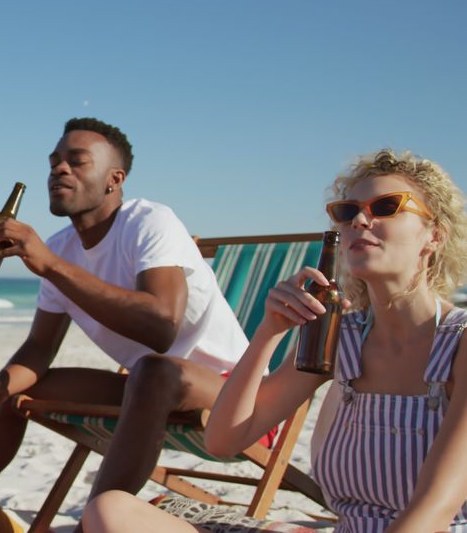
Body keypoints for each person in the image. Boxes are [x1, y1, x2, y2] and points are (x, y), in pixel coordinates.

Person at [82, 149, 467, 532]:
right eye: (348, 212)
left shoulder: (459, 342)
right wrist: (269, 332)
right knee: (112, 509)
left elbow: (435, 508)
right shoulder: (342, 338)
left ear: (434, 235)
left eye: (386, 206)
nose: (361, 220)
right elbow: (224, 439)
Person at [0, 117, 253, 526]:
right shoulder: (61, 248)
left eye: (77, 161)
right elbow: (40, 348)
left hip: (235, 396)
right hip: (147, 392)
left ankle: (92, 526)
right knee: (17, 389)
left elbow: (161, 327)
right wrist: (2, 383)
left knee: (152, 370)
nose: (59, 169)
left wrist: (51, 266)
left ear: (115, 179)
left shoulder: (150, 222)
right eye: (54, 162)